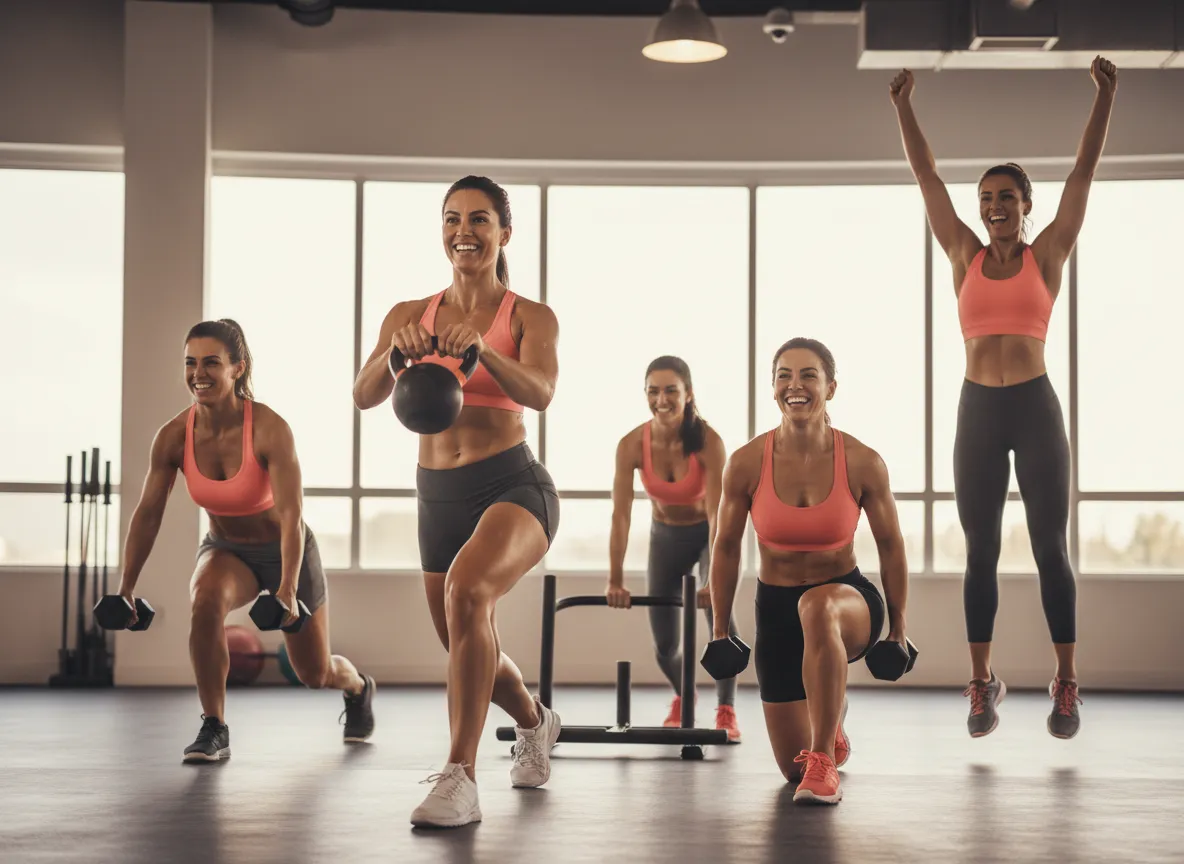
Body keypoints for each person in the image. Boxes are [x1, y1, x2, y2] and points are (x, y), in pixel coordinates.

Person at [889, 56, 1118, 741]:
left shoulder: (1048, 256)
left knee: (1051, 548)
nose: (995, 206)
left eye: (1008, 197)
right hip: (979, 413)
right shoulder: (962, 254)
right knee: (980, 550)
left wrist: (1105, 97)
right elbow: (927, 177)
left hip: (1035, 409)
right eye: (987, 197)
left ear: (1026, 206)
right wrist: (903, 105)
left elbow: (1082, 174)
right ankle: (981, 681)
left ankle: (1066, 680)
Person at [353, 175, 562, 829]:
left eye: (478, 219)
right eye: (452, 219)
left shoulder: (528, 316)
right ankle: (534, 720)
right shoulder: (409, 314)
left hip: (513, 486)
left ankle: (459, 778)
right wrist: (393, 356)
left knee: (467, 594)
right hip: (437, 495)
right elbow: (362, 394)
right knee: (464, 639)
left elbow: (541, 392)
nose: (463, 231)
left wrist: (485, 352)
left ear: (504, 233)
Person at [117, 318, 376, 763]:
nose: (198, 373)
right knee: (204, 601)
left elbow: (292, 517)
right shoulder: (173, 436)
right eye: (190, 363)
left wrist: (288, 589)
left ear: (238, 368)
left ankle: (357, 686)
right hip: (227, 550)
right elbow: (148, 513)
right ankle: (214, 725)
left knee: (314, 673)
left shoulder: (269, 428)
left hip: (286, 550)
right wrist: (126, 587)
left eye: (211, 363)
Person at [709, 338, 910, 806]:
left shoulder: (862, 461)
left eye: (808, 375)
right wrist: (720, 629)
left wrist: (898, 629)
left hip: (847, 601)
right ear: (773, 387)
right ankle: (829, 725)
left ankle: (823, 759)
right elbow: (726, 546)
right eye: (784, 375)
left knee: (816, 605)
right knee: (789, 770)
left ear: (831, 387)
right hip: (776, 609)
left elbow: (891, 546)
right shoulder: (746, 463)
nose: (794, 385)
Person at [605, 356, 741, 741]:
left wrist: (714, 579)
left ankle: (726, 709)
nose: (661, 399)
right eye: (653, 391)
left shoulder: (708, 442)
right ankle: (684, 695)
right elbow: (621, 516)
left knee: (719, 620)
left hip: (708, 535)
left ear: (688, 394)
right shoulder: (632, 444)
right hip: (665, 538)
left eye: (670, 391)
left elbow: (717, 516)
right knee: (665, 644)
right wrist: (614, 579)